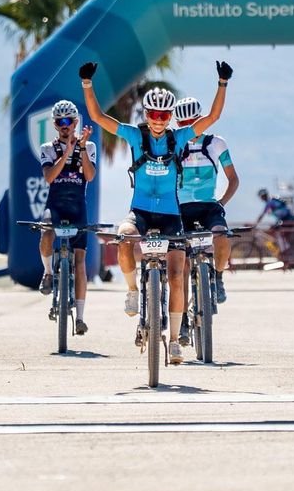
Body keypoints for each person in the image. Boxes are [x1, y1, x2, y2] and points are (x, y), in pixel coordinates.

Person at [79, 60, 232, 365]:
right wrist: (87, 83)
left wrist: (222, 82)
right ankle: (134, 291)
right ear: (146, 116)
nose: (159, 120)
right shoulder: (136, 137)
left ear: (170, 117)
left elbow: (213, 116)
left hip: (172, 216)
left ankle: (174, 340)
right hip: (141, 213)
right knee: (123, 239)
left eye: (164, 115)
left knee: (177, 276)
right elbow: (96, 116)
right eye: (154, 115)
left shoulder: (179, 138)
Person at [173, 96, 239, 335]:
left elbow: (233, 179)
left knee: (222, 235)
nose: (188, 127)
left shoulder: (216, 143)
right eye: (182, 123)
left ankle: (218, 278)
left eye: (193, 121)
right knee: (180, 264)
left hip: (209, 205)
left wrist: (221, 203)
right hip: (180, 208)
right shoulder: (173, 144)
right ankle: (180, 319)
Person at [36, 99, 97, 335]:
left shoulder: (88, 146)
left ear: (75, 122)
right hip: (56, 206)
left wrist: (79, 149)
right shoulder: (47, 148)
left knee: (80, 261)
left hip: (77, 207)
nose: (65, 126)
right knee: (46, 232)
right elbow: (49, 177)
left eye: (69, 121)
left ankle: (80, 317)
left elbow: (90, 176)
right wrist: (67, 153)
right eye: (60, 122)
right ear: (54, 124)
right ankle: (49, 273)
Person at [253, 188, 292, 260]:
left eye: (261, 197)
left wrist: (255, 225)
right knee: (273, 233)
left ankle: (283, 250)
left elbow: (261, 215)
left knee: (277, 234)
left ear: (263, 196)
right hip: (284, 220)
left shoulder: (269, 203)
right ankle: (281, 249)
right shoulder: (271, 201)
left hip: (285, 220)